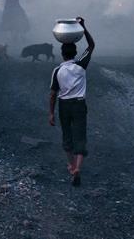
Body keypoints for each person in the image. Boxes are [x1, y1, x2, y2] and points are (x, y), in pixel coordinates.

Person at [49, 17, 95, 187]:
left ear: (62, 54)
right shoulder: (81, 65)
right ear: (75, 53)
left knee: (67, 135)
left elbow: (53, 94)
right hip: (79, 104)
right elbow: (91, 46)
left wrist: (51, 113)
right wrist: (83, 26)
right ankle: (78, 168)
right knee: (80, 135)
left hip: (64, 106)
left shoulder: (57, 70)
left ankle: (72, 165)